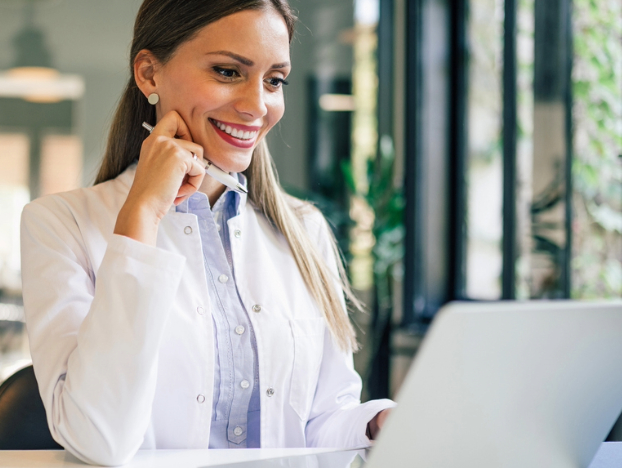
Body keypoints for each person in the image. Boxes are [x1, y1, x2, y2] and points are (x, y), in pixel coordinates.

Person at [19, 0, 394, 465]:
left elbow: (318, 424)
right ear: (149, 74)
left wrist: (376, 423)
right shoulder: (59, 224)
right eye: (227, 71)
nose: (258, 105)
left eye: (274, 80)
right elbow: (99, 440)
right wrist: (142, 214)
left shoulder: (303, 229)